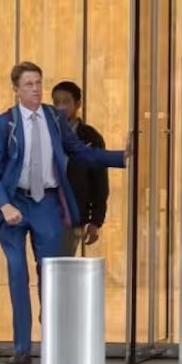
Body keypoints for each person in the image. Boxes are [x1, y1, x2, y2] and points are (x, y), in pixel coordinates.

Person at [0, 61, 131, 364]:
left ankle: (54, 345)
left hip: (46, 203)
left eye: (38, 83)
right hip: (13, 203)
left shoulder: (53, 118)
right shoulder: (4, 124)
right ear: (16, 90)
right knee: (17, 272)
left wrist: (121, 157)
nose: (36, 89)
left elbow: (80, 151)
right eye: (29, 84)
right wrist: (4, 204)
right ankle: (22, 348)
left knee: (50, 275)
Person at [52, 81, 109, 256]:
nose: (60, 107)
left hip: (73, 211)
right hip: (45, 211)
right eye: (56, 102)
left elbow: (99, 182)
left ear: (77, 104)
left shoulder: (90, 137)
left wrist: (95, 221)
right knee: (45, 265)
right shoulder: (46, 132)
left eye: (66, 102)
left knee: (62, 262)